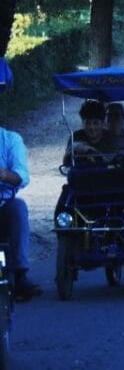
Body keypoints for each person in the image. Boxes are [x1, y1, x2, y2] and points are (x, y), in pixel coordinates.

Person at [0, 123, 42, 301]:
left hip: (3, 205)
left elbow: (22, 176)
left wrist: (4, 175)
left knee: (19, 207)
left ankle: (20, 274)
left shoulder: (10, 140)